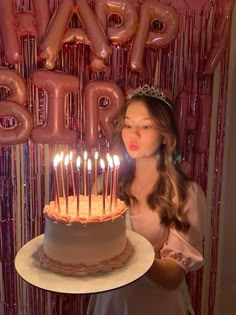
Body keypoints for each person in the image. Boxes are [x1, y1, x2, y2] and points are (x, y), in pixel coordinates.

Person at [87, 85, 206, 315]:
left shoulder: (184, 194)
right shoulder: (105, 185)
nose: (134, 134)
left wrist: (126, 253)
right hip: (110, 303)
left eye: (146, 125)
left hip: (157, 305)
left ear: (164, 134)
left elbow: (173, 277)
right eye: (128, 125)